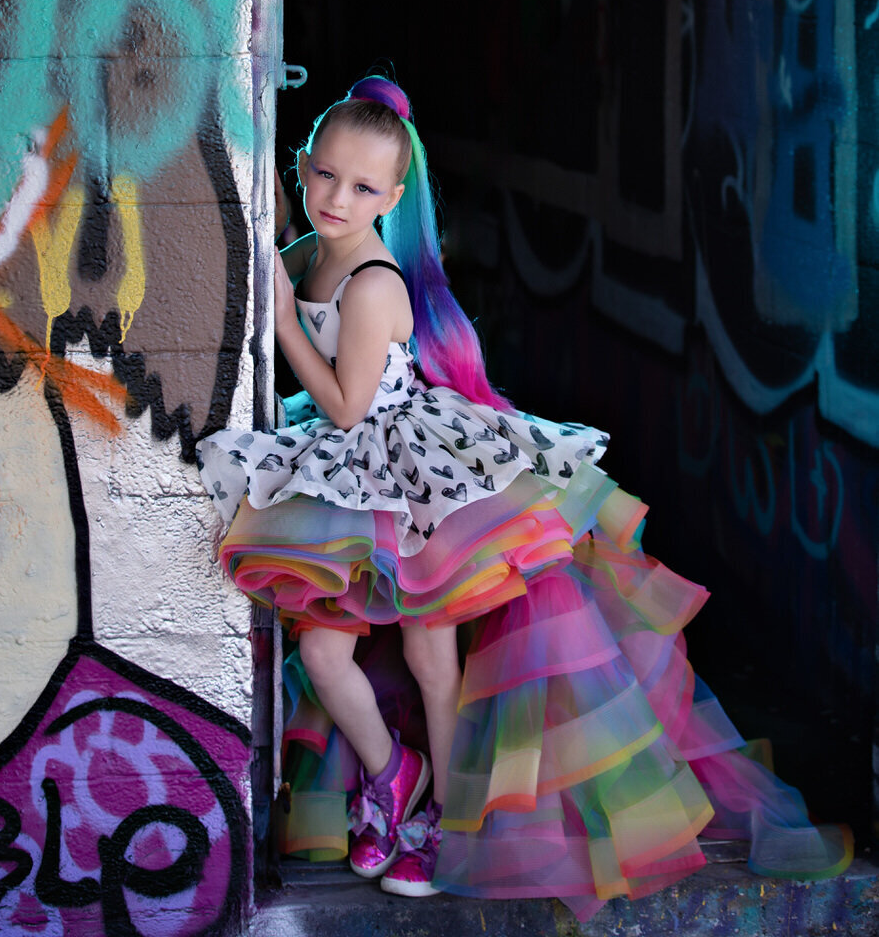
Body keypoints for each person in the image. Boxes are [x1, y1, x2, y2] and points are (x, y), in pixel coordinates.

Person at [197, 77, 852, 917]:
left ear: (393, 198)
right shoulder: (307, 257)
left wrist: (283, 320)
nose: (337, 198)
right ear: (299, 167)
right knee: (325, 654)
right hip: (338, 479)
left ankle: (445, 816)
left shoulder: (370, 284)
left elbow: (350, 404)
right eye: (324, 175)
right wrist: (282, 290)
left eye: (363, 187)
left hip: (410, 480)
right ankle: (392, 772)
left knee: (435, 657)